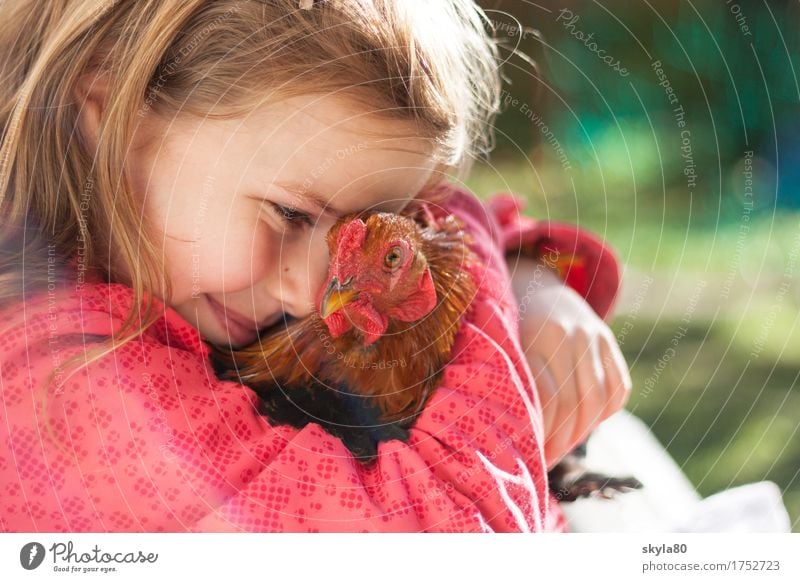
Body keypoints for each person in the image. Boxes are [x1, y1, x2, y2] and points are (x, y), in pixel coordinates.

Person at [0, 0, 631, 532]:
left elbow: (498, 227)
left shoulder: (177, 286)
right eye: (290, 215)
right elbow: (457, 534)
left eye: (393, 214)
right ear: (116, 116)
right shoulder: (59, 389)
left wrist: (530, 284)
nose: (309, 295)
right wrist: (470, 265)